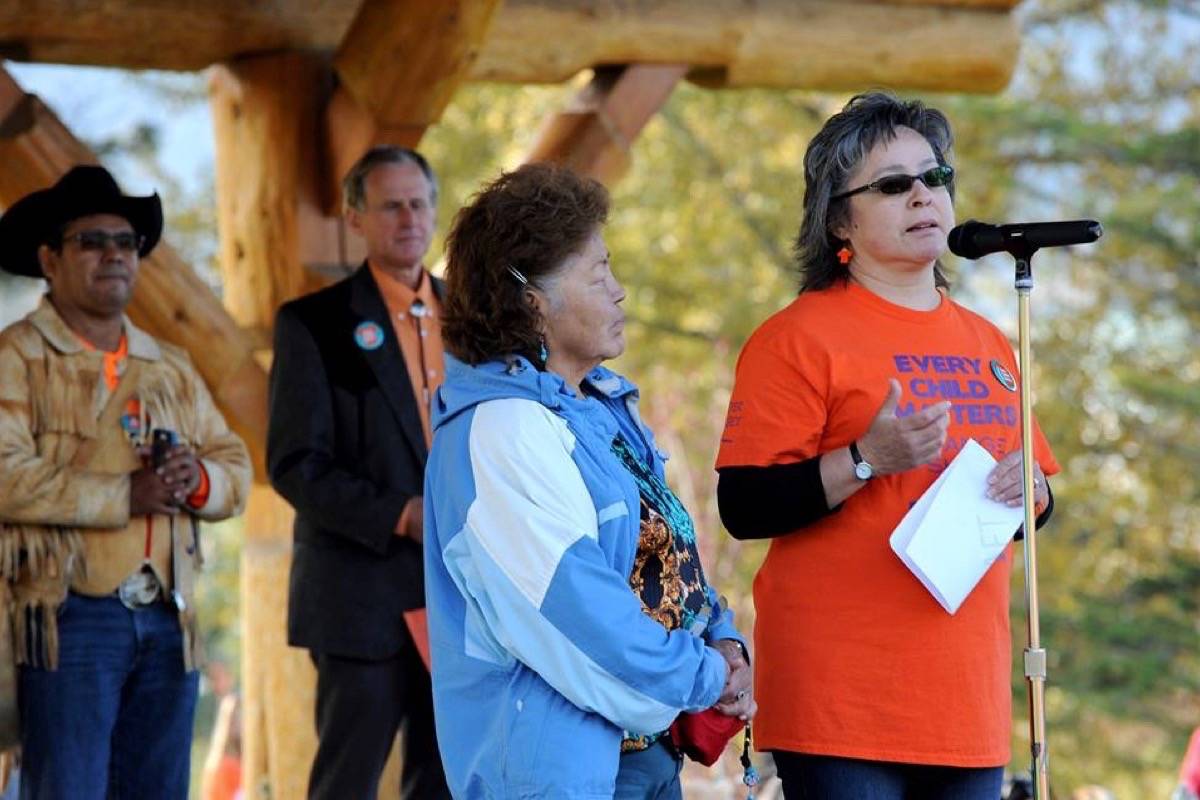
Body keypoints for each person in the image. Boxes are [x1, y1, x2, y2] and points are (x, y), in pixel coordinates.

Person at [714, 92, 1061, 799]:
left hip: (966, 701)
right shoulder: (797, 338)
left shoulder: (992, 341)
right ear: (838, 217)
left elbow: (1037, 501)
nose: (923, 196)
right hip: (842, 702)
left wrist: (1035, 492)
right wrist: (866, 459)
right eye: (893, 184)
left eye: (934, 178)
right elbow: (744, 505)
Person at [423, 162, 754, 799]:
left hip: (643, 757)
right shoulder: (501, 431)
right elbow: (579, 618)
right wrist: (707, 676)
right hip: (558, 774)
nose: (619, 291)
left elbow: (668, 556)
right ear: (531, 298)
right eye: (599, 271)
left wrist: (724, 637)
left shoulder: (596, 408)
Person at [0, 165, 252, 799]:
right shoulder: (17, 357)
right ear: (49, 259)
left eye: (126, 243)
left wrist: (197, 480)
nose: (114, 254)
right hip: (63, 613)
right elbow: (4, 475)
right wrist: (123, 496)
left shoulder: (169, 364)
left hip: (171, 616)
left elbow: (236, 468)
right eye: (92, 241)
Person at [267, 146, 450, 799]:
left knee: (449, 777)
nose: (408, 218)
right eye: (390, 205)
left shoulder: (475, 321)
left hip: (460, 598)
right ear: (355, 218)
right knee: (348, 780)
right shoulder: (314, 324)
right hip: (358, 596)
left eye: (419, 202)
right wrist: (401, 513)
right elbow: (294, 464)